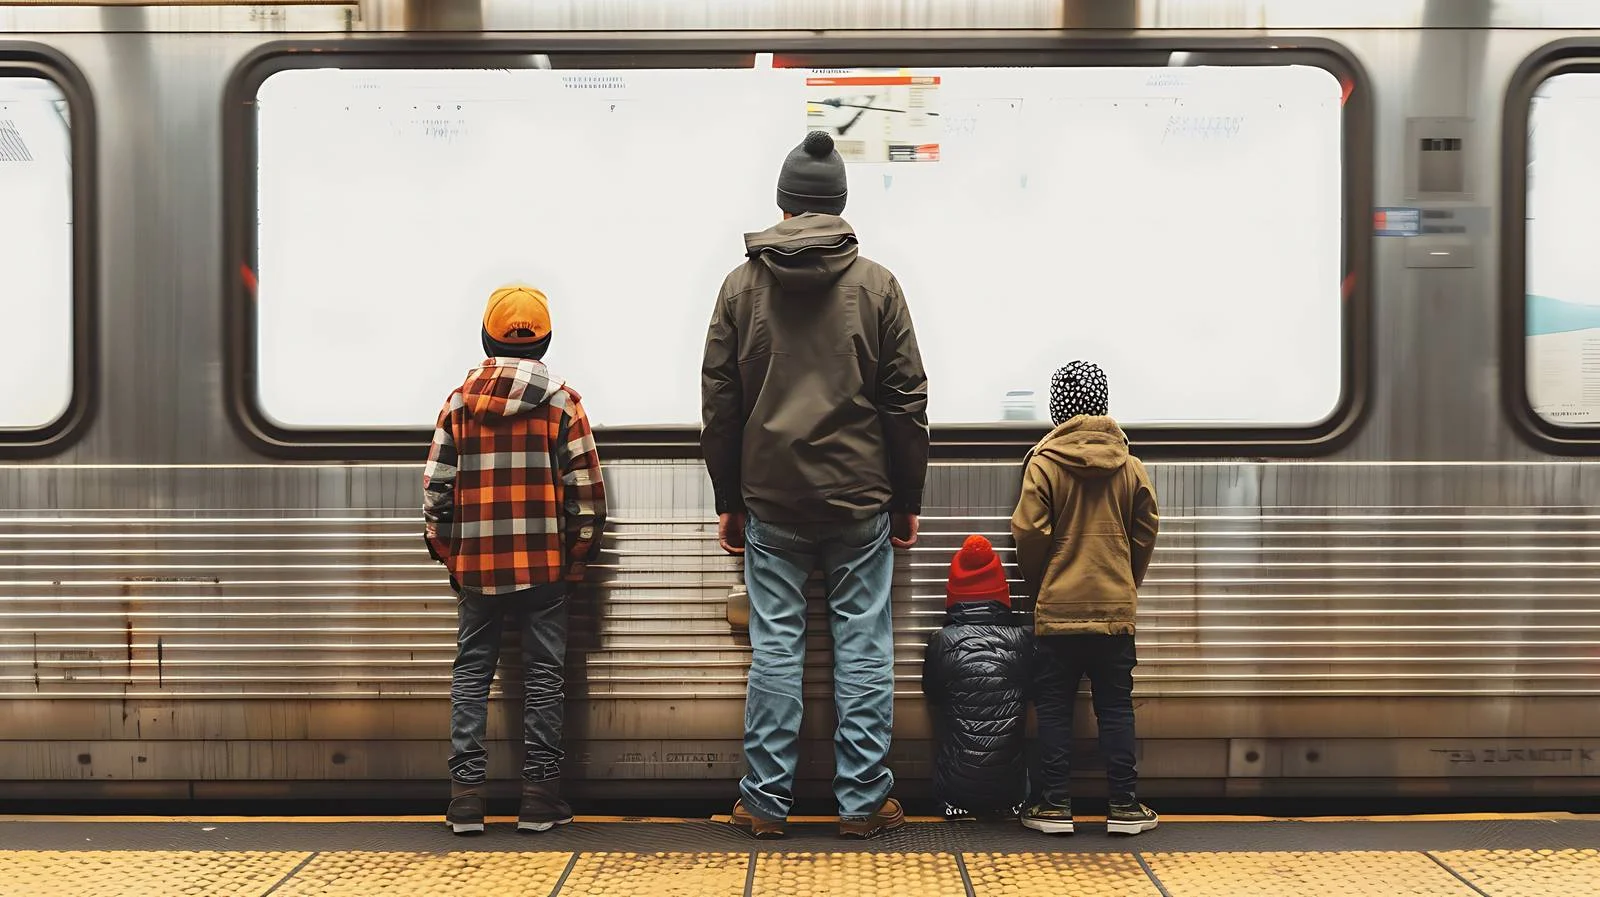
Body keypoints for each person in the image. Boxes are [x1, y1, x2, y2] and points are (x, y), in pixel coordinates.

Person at [702, 130, 929, 839]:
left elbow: (720, 402)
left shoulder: (741, 286)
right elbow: (906, 400)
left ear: (784, 204)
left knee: (777, 646)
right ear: (837, 206)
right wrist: (908, 498)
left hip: (771, 501)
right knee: (863, 646)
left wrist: (729, 498)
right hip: (862, 500)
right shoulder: (878, 285)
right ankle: (861, 802)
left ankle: (766, 802)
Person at [423, 285, 607, 835]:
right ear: (545, 342)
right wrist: (575, 557)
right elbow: (587, 494)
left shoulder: (458, 403)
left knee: (472, 674)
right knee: (545, 677)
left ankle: (465, 800)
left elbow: (436, 492)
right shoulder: (563, 404)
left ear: (486, 338)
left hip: (476, 568)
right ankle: (539, 800)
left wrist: (450, 554)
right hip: (544, 568)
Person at [1011, 361, 1159, 836]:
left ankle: (1054, 805)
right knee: (1115, 706)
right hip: (1114, 611)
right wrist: (1124, 580)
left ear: (1058, 409)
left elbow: (1029, 532)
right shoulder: (1130, 466)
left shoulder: (1045, 463)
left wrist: (1046, 583)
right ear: (1103, 404)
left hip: (1058, 610)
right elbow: (1146, 529)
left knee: (1053, 707)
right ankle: (1124, 806)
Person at [921, 535, 1032, 821]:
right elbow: (1036, 691)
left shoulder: (940, 642)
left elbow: (932, 693)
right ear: (1001, 593)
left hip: (953, 792)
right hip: (1012, 793)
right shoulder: (1021, 640)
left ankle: (957, 805)